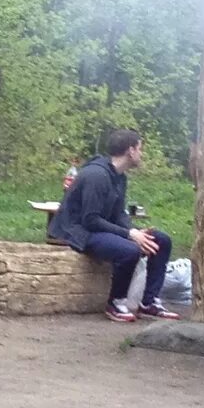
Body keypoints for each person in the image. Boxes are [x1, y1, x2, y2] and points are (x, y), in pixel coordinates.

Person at [52, 127, 177, 321]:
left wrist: (135, 231)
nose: (141, 154)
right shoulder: (96, 176)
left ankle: (149, 301)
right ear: (130, 151)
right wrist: (129, 235)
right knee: (129, 250)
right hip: (78, 231)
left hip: (98, 227)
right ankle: (116, 302)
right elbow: (90, 220)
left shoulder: (119, 177)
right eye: (140, 149)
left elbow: (118, 213)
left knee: (161, 241)